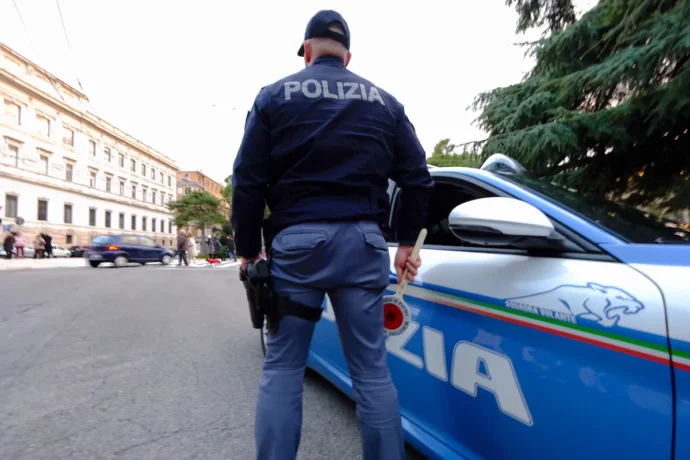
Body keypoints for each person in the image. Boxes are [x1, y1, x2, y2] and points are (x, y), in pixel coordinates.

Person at [231, 10, 434, 460]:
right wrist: (406, 244)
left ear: (307, 52)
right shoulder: (386, 103)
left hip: (298, 247)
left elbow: (247, 181)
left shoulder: (273, 97)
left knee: (284, 367)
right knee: (372, 373)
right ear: (348, 57)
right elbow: (418, 178)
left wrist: (246, 250)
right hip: (363, 245)